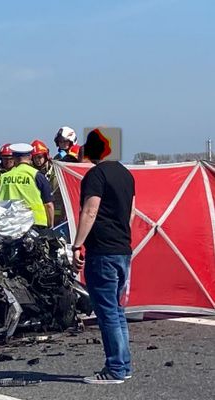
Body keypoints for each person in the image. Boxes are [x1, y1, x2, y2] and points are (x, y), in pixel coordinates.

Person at [71, 129, 135, 384]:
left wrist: (77, 245)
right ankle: (124, 365)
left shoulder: (96, 175)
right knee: (117, 311)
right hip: (122, 249)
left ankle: (115, 369)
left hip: (103, 252)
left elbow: (90, 210)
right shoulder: (126, 174)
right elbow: (131, 211)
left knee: (107, 312)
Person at [0, 143, 54, 228]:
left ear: (14, 158)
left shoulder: (4, 177)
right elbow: (48, 205)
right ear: (30, 157)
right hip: (35, 224)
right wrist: (51, 225)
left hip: (10, 224)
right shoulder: (36, 175)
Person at [31, 139, 66, 225]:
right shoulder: (32, 173)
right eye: (34, 158)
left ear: (46, 156)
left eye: (39, 157)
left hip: (59, 214)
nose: (37, 160)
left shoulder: (57, 169)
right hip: (41, 216)